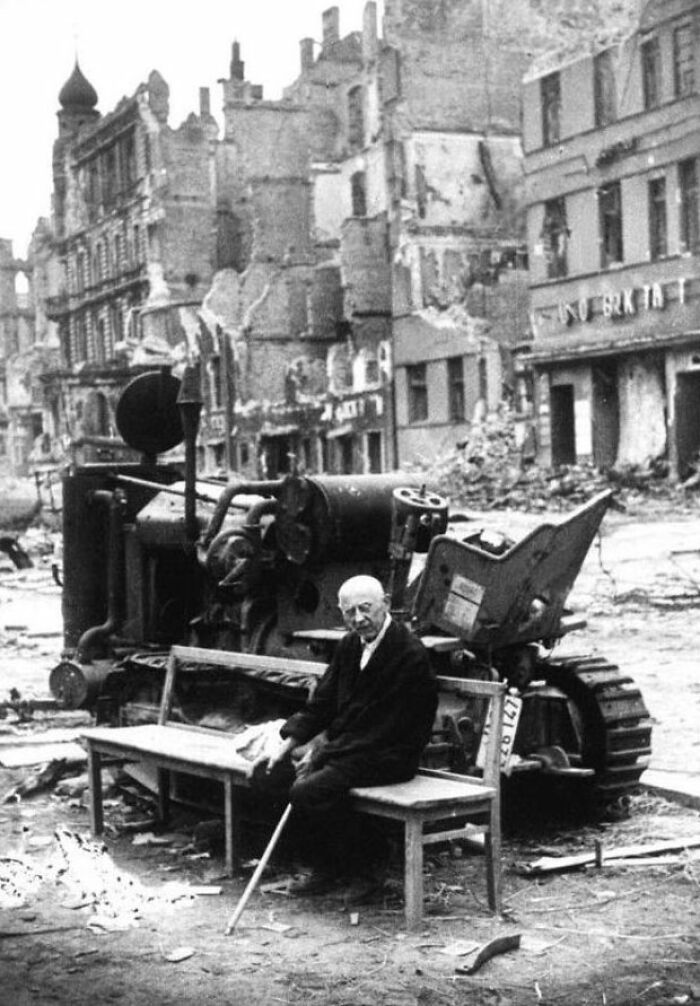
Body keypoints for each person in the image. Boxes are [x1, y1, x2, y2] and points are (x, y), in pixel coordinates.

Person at [259, 574, 438, 895]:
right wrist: (288, 744)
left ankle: (362, 868)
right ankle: (330, 863)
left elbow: (382, 728)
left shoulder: (409, 654)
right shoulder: (349, 645)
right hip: (352, 750)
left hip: (391, 753)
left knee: (309, 791)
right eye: (349, 612)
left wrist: (322, 754)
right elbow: (323, 702)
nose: (358, 619)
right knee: (272, 773)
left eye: (366, 608)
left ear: (385, 604)